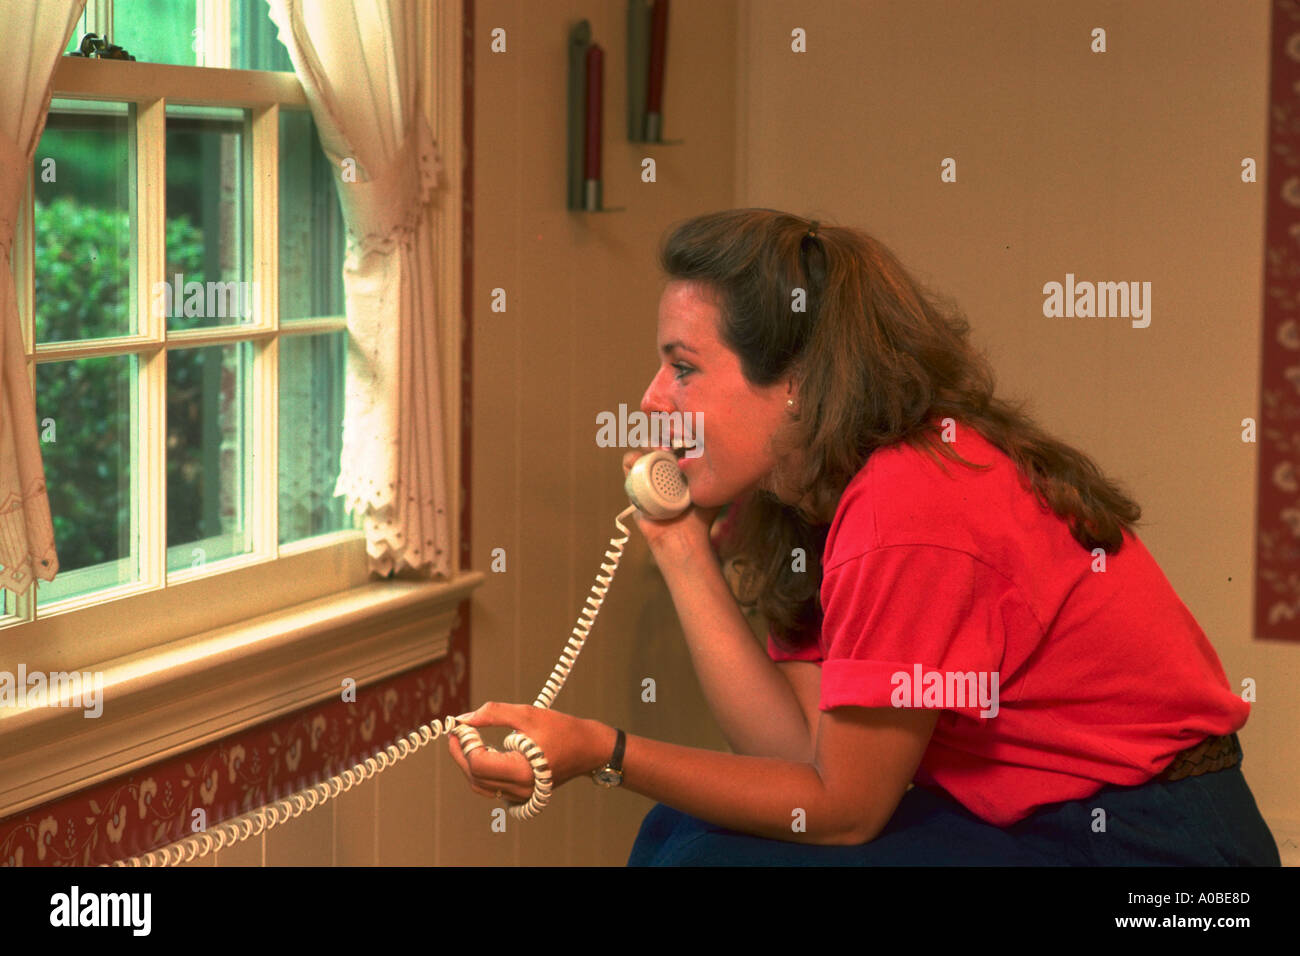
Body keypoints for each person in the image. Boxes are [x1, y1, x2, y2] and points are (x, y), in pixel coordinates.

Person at [449, 209, 1281, 866]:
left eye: (685, 367)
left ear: (799, 385)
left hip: (1157, 848)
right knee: (681, 833)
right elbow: (794, 755)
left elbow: (842, 812)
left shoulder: (908, 501)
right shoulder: (817, 492)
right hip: (1037, 815)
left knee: (707, 862)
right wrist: (678, 544)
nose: (653, 397)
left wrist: (605, 748)